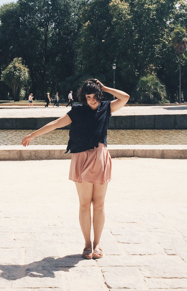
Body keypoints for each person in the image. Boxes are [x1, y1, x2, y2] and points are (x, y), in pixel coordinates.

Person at [22, 79, 129, 260]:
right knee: (85, 204)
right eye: (89, 97)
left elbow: (125, 97)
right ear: (84, 97)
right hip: (81, 157)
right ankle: (87, 244)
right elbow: (56, 123)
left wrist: (104, 87)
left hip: (100, 157)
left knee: (100, 203)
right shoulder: (77, 111)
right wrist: (33, 135)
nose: (93, 100)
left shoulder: (106, 108)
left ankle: (98, 244)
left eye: (95, 96)